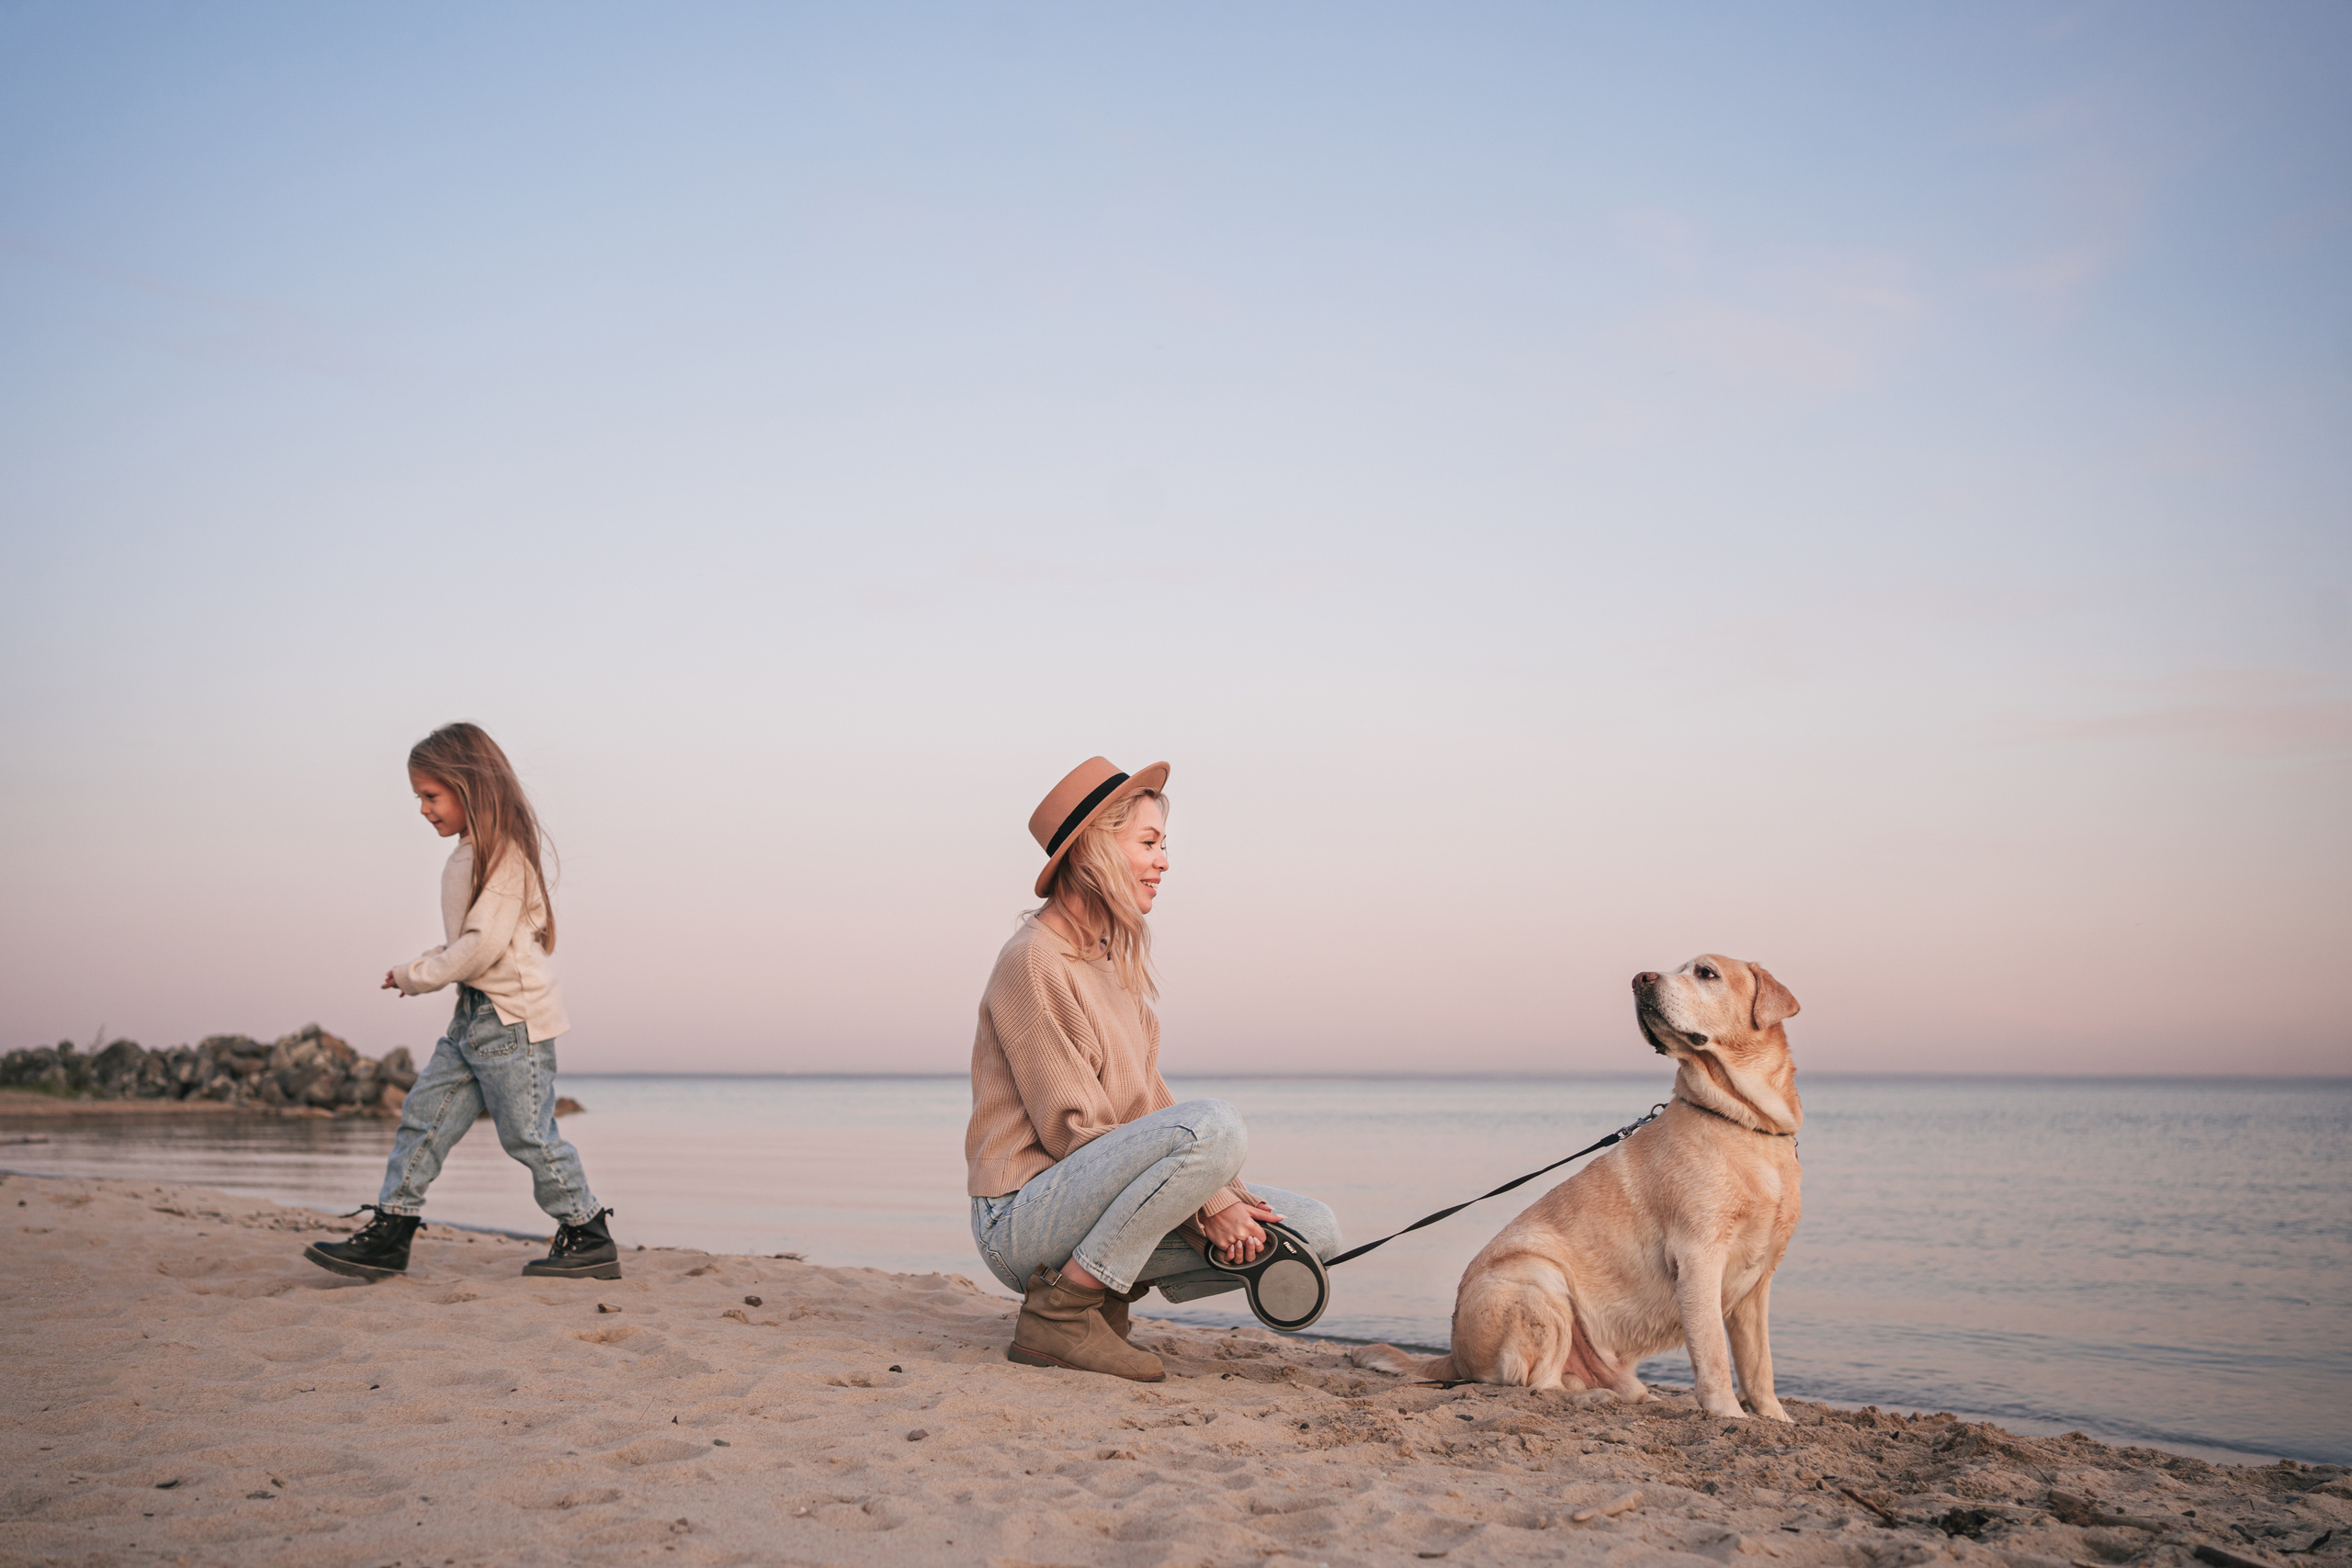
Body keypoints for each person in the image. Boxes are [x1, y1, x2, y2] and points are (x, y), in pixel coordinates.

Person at [965, 756, 1343, 1381]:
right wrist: (1206, 1208)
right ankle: (1064, 1310)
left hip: (1087, 1198)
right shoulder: (1033, 961)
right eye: (1148, 843)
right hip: (1020, 1217)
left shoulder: (1111, 962)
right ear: (1093, 850)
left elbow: (1148, 1109)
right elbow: (1073, 1133)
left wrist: (1220, 1197)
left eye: (1164, 845)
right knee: (1216, 1124)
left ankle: (1104, 1298)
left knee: (1314, 1231)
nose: (1163, 861)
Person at [303, 722, 619, 1283]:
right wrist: (420, 967)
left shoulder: (503, 857)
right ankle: (391, 1231)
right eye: (418, 798)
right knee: (423, 1118)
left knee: (528, 1134)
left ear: (469, 786)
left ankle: (588, 1234)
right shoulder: (471, 853)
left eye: (431, 795)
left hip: (511, 1021)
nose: (423, 809)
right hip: (473, 1017)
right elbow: (468, 944)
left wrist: (417, 975)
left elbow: (481, 947)